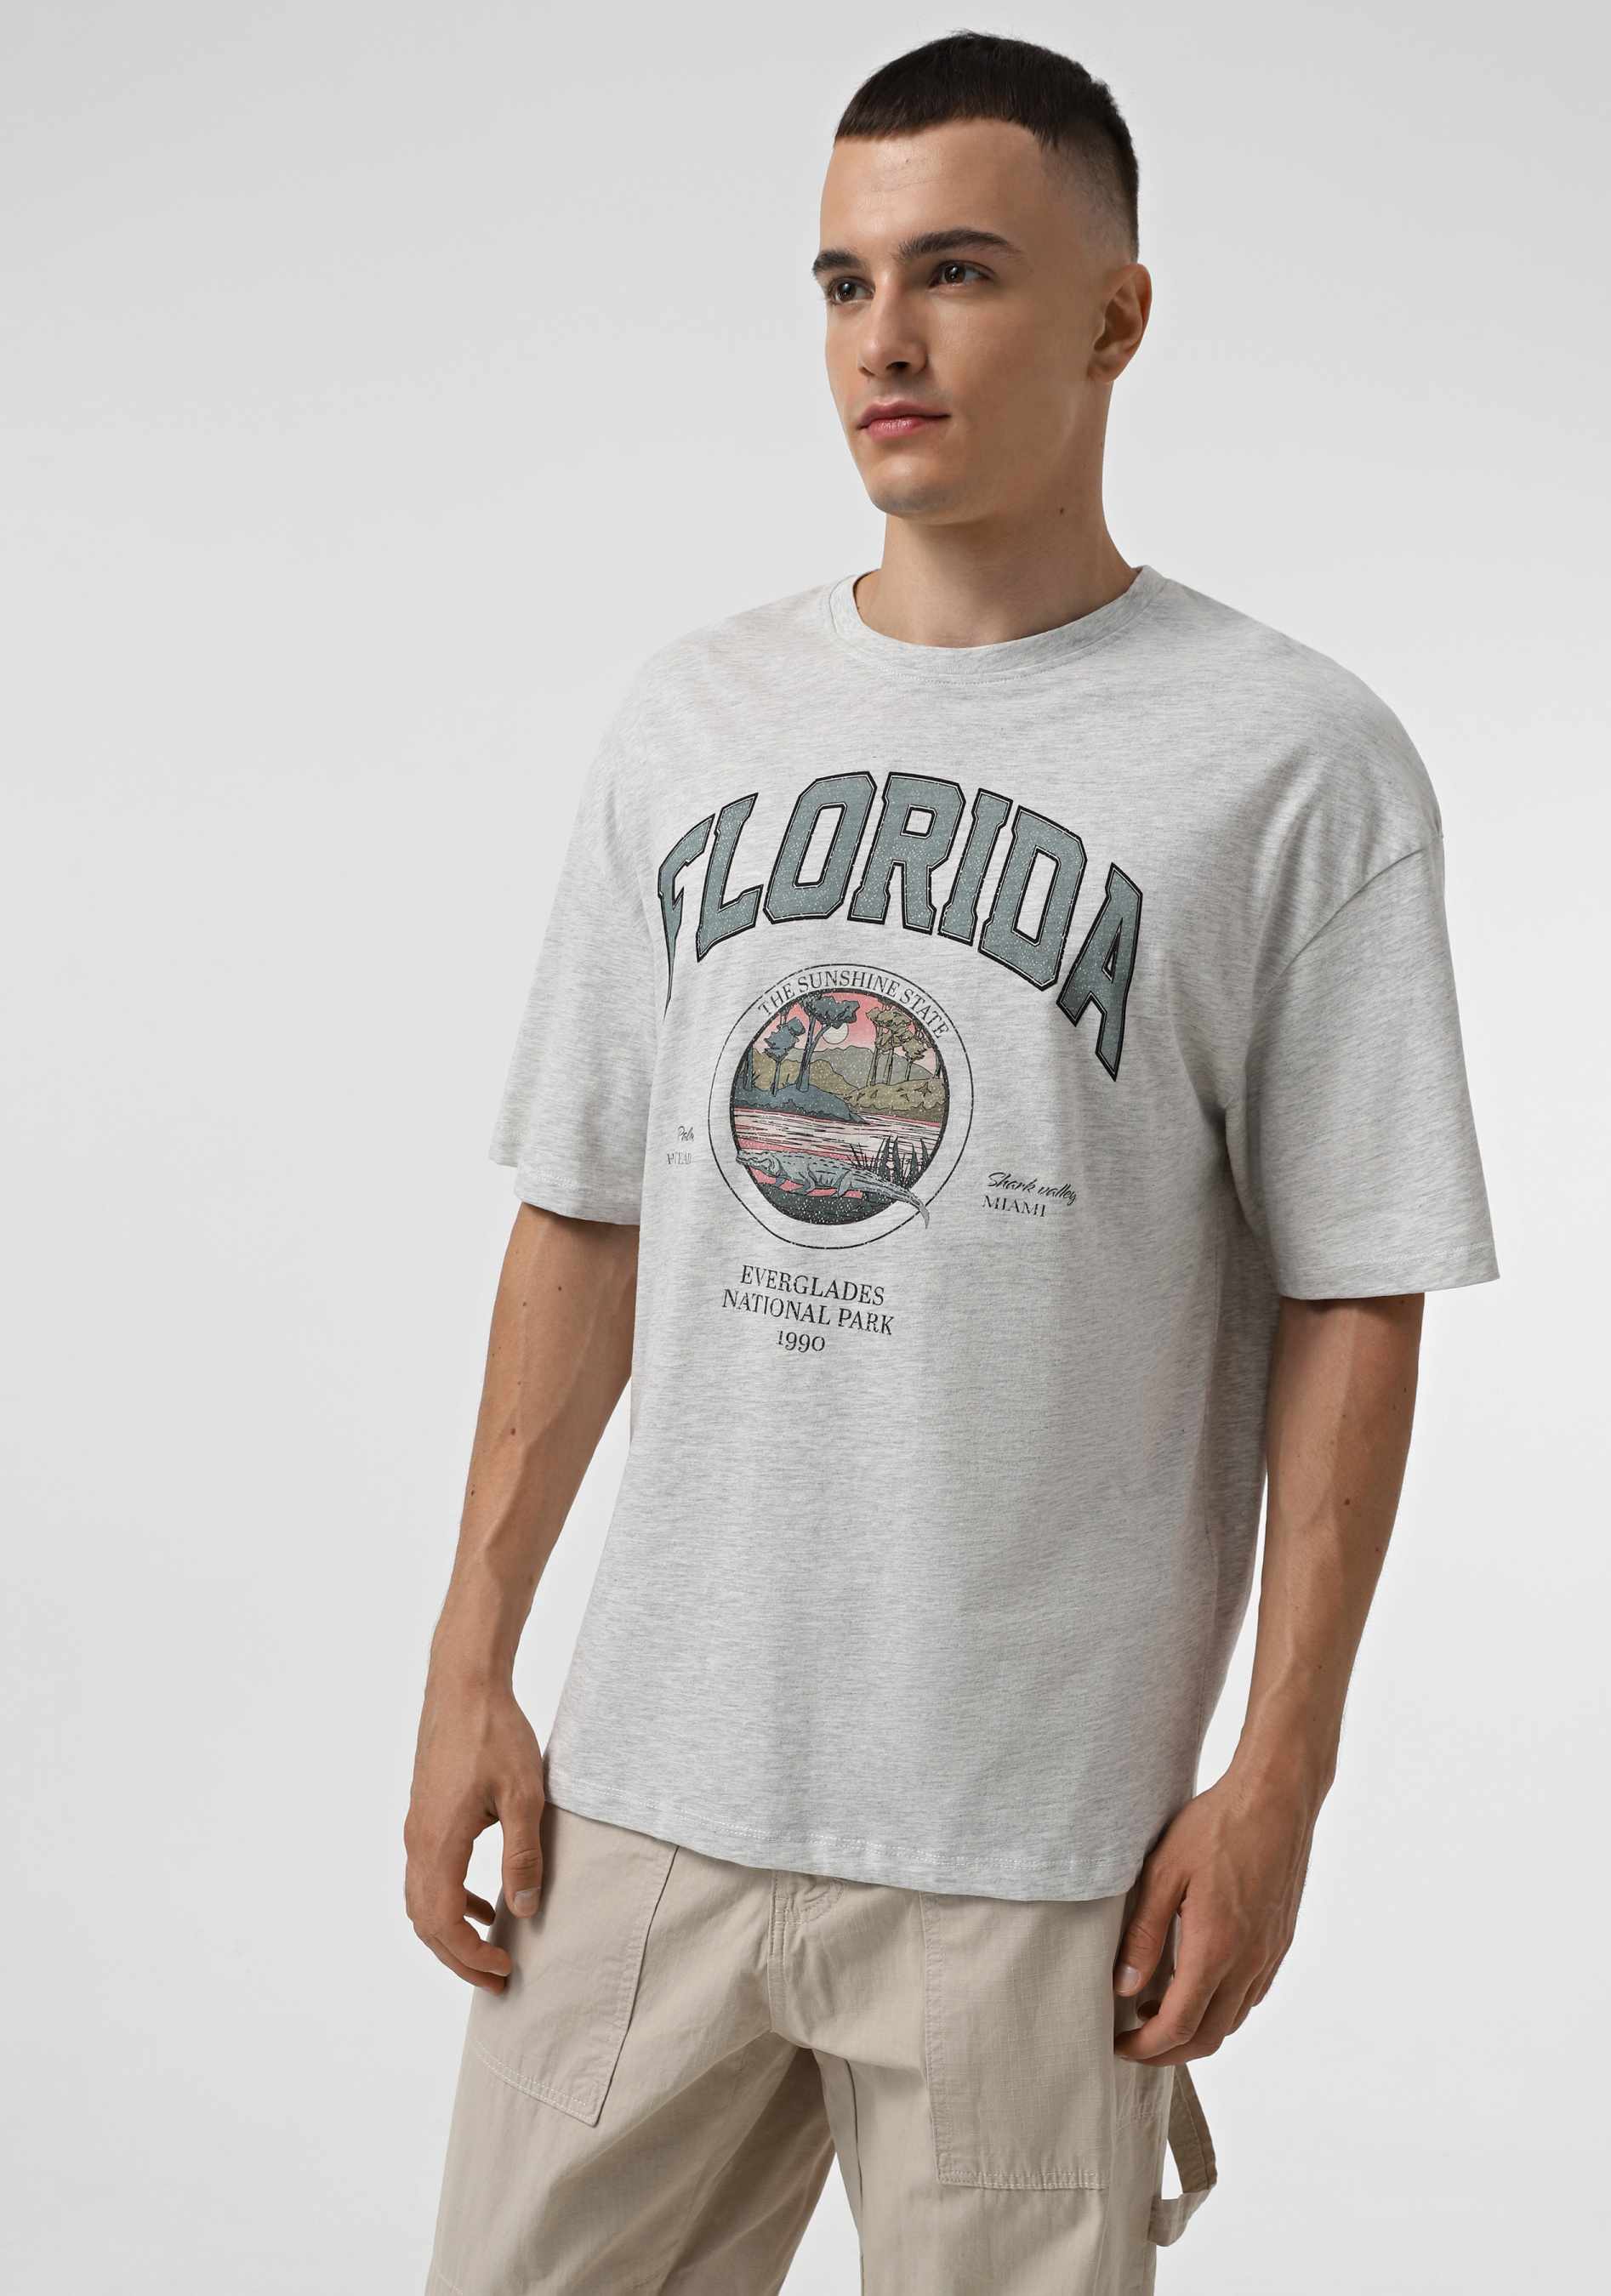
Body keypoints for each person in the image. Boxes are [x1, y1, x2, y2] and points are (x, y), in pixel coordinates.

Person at [406, 31, 1496, 2295]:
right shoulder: (686, 718)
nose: (882, 340)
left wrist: (1275, 1779)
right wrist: (470, 1653)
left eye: (960, 272)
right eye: (843, 280)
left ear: (1116, 315)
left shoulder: (1297, 763)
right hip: (649, 1794)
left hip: (1034, 1844)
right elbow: (584, 1211)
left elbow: (1354, 1293)